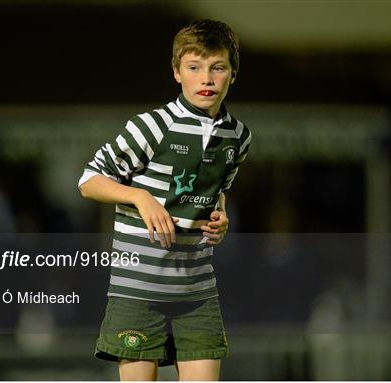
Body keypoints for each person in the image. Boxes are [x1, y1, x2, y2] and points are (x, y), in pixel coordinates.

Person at [78, 19, 251, 381]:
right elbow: (89, 180)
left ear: (232, 74)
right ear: (177, 73)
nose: (206, 78)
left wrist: (220, 216)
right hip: (139, 291)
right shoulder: (152, 126)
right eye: (194, 67)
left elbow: (217, 192)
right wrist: (139, 196)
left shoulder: (238, 137)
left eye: (217, 67)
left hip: (197, 292)